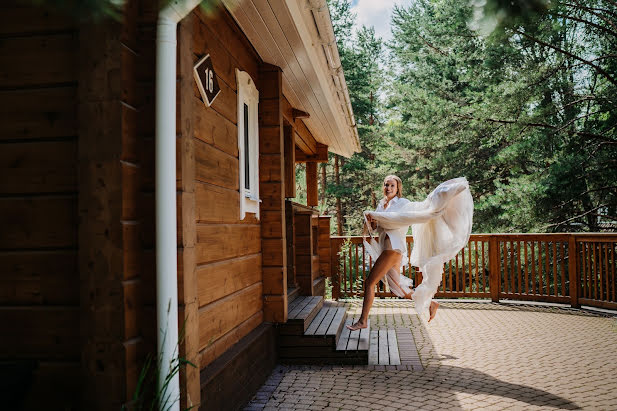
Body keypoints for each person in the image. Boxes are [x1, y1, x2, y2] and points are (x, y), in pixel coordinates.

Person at [347, 176, 473, 330]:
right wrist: (372, 222)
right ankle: (430, 303)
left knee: (369, 283)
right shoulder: (381, 206)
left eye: (392, 185)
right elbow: (377, 228)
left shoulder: (403, 204)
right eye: (386, 185)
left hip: (393, 248)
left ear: (397, 188)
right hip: (387, 248)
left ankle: (363, 321)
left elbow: (417, 211)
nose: (389, 188)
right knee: (398, 289)